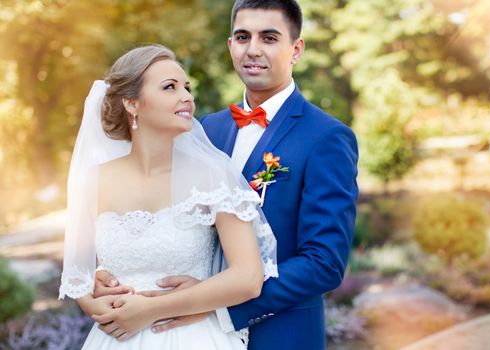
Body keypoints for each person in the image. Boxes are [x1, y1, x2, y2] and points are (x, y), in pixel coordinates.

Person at [96, 0, 359, 349]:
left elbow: (324, 262)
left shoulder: (326, 137)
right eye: (242, 36)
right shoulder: (204, 130)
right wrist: (109, 273)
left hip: (280, 335)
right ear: (230, 45)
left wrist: (214, 305)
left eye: (268, 38)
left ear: (296, 50)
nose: (253, 49)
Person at [59, 44, 278, 349]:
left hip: (195, 338)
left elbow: (248, 277)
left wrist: (152, 309)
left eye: (187, 88)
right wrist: (91, 300)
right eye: (170, 87)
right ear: (133, 104)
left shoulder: (212, 175)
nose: (187, 97)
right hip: (115, 340)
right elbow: (78, 275)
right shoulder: (95, 179)